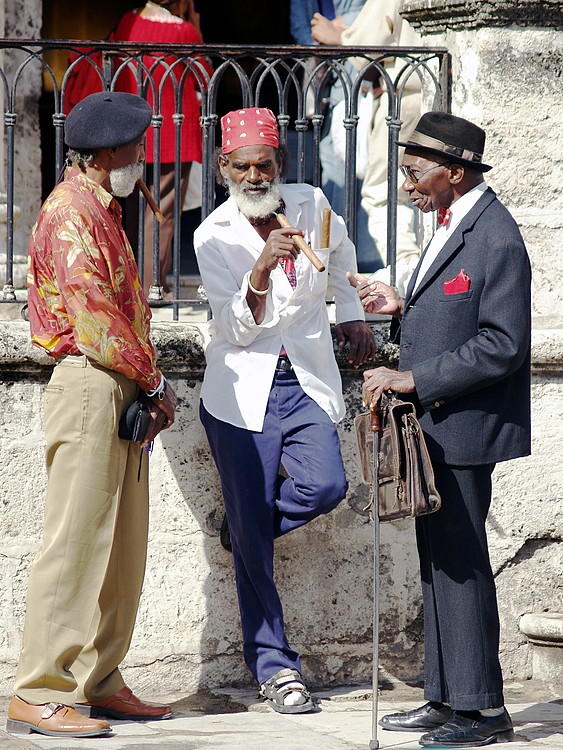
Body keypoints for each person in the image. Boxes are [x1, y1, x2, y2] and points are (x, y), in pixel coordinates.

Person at [349, 112, 531, 748]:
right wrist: (403, 305)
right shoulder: (455, 223)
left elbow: (502, 345)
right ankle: (444, 695)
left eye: (415, 173)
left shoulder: (496, 237)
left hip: (466, 426)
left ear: (456, 172)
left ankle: (481, 710)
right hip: (439, 423)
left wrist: (412, 379)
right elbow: (454, 309)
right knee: (437, 562)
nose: (407, 185)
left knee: (461, 562)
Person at [7, 92, 177, 739]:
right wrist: (157, 380)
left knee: (121, 551)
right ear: (110, 152)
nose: (142, 155)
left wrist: (146, 384)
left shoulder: (102, 207)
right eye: (135, 146)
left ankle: (99, 681)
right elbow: (96, 321)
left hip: (120, 384)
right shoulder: (71, 211)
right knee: (76, 544)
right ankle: (39, 690)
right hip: (91, 382)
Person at [194, 107, 375, 714]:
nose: (253, 176)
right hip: (241, 392)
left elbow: (341, 256)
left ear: (280, 164)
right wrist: (261, 270)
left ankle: (246, 531)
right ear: (224, 168)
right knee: (254, 544)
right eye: (241, 166)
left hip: (304, 381)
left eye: (263, 165)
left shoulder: (310, 202)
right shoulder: (213, 235)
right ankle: (276, 668)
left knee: (326, 486)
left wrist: (350, 309)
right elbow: (235, 331)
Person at [111, 0, 209, 298]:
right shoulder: (186, 32)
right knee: (161, 214)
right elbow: (204, 77)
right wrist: (196, 26)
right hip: (173, 131)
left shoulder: (127, 23)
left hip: (131, 130)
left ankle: (124, 285)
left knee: (128, 212)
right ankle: (152, 287)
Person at [340, 0, 423, 295]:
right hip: (432, 90)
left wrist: (338, 33)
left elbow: (363, 46)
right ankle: (420, 267)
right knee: (428, 186)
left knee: (384, 193)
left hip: (405, 96)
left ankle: (410, 270)